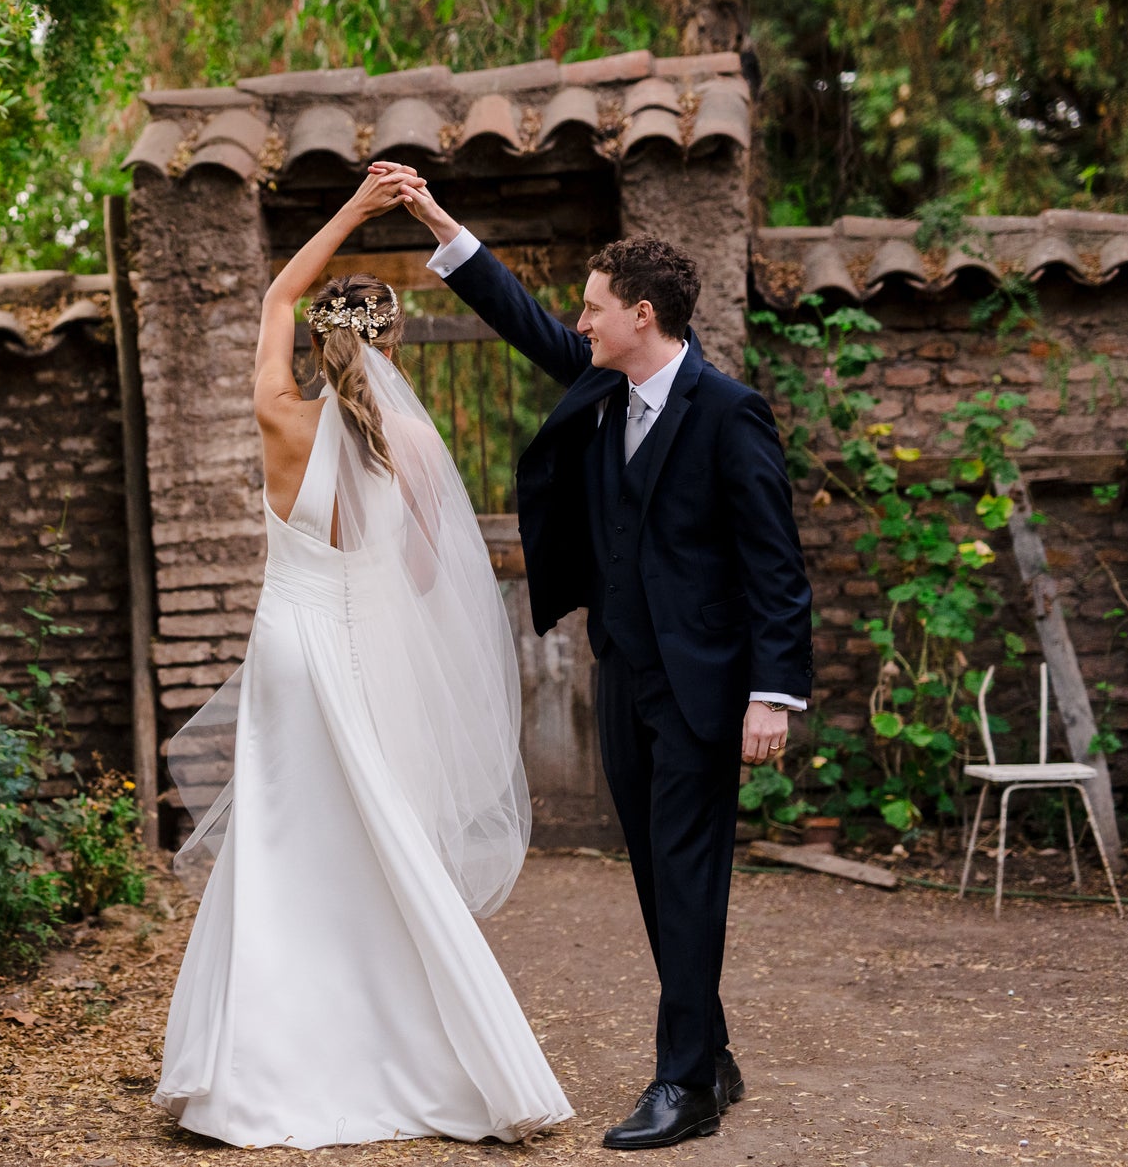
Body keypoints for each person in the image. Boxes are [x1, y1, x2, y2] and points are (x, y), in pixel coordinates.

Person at [388, 162, 814, 1151]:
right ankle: (709, 1051)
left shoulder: (728, 412)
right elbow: (524, 323)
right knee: (659, 877)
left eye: (592, 307)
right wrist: (442, 225)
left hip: (705, 687)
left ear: (641, 315)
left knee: (687, 874)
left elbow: (775, 564)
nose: (577, 322)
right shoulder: (604, 385)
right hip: (622, 671)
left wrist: (772, 693)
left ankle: (683, 1084)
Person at [152, 167, 574, 1149]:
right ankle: (427, 1051)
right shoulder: (409, 444)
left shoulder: (277, 410)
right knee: (380, 835)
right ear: (392, 346)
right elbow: (427, 576)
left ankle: (249, 1070)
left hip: (283, 649)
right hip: (353, 644)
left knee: (276, 840)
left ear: (317, 342)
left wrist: (352, 208)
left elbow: (274, 294)